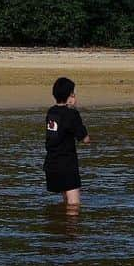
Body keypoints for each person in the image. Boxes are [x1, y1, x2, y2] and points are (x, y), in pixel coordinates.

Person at [44, 76, 91, 208]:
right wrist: (74, 110)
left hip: (51, 163)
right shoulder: (71, 114)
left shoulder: (51, 112)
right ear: (69, 95)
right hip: (67, 164)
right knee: (73, 206)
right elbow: (85, 139)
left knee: (65, 203)